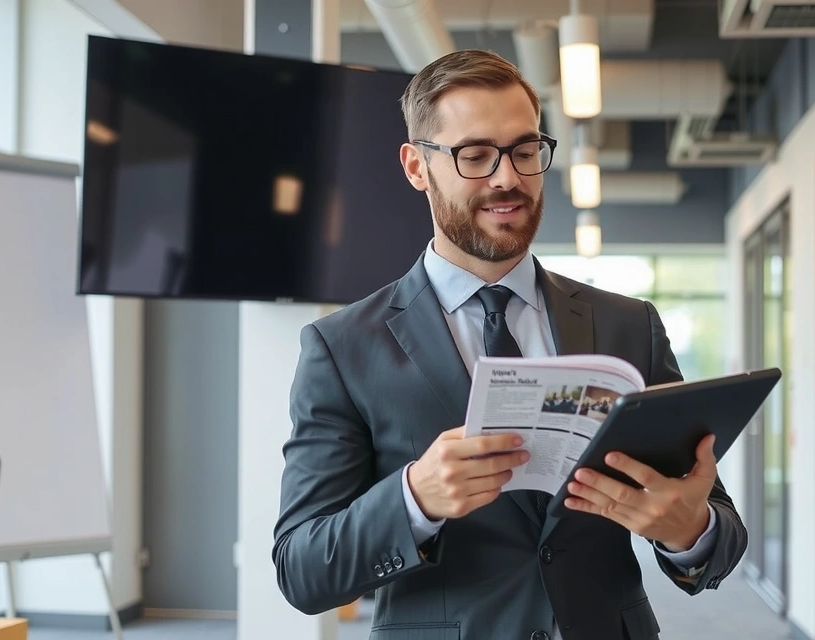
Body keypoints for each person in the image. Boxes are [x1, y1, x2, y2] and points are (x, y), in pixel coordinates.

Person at [272, 49, 747, 640]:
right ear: (416, 167)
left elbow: (720, 538)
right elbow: (301, 570)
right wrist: (414, 498)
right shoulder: (341, 348)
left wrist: (688, 529)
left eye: (525, 151)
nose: (508, 178)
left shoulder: (630, 326)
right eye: (475, 156)